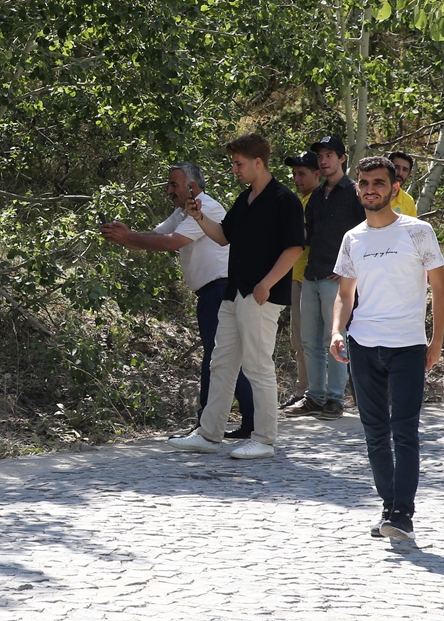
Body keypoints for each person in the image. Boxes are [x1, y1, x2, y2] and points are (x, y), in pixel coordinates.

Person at [329, 156, 444, 541]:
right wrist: (336, 331)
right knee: (375, 432)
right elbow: (345, 293)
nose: (370, 189)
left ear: (394, 187)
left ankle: (403, 513)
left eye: (378, 183)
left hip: (408, 347)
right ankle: (389, 508)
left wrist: (437, 340)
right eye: (364, 183)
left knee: (405, 431)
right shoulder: (353, 238)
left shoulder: (418, 231)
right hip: (363, 346)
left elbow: (439, 287)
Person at [170, 133, 305, 459]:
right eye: (233, 163)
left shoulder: (284, 200)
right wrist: (199, 216)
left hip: (262, 296)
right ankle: (209, 433)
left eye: (238, 163)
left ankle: (264, 438)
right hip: (234, 292)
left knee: (258, 366)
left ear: (258, 162)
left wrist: (267, 283)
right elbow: (222, 237)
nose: (234, 169)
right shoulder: (244, 200)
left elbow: (294, 247)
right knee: (222, 363)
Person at [101, 163, 255, 438]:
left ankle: (211, 425)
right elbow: (157, 236)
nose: (169, 190)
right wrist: (126, 238)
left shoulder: (205, 207)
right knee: (224, 358)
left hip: (220, 290)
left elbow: (173, 242)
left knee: (219, 358)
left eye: (174, 184)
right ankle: (246, 422)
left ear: (192, 188)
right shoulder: (182, 212)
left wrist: (128, 238)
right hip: (210, 293)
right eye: (169, 184)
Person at [284, 134, 365, 421]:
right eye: (321, 156)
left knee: (336, 338)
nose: (324, 160)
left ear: (342, 158)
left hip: (338, 279)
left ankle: (335, 400)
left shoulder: (355, 192)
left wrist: (349, 268)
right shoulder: (316, 196)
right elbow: (308, 232)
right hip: (311, 274)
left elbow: (367, 232)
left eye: (330, 154)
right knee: (309, 340)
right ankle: (315, 397)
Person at [281, 151, 321, 407]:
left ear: (318, 174)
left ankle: (310, 393)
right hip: (295, 276)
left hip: (311, 277)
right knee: (299, 338)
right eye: (294, 174)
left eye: (302, 173)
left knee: (308, 339)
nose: (296, 178)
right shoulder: (303, 200)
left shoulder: (318, 201)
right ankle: (304, 391)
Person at [387, 151, 418, 216]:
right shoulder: (371, 193)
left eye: (405, 170)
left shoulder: (408, 201)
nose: (400, 173)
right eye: (396, 167)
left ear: (408, 174)